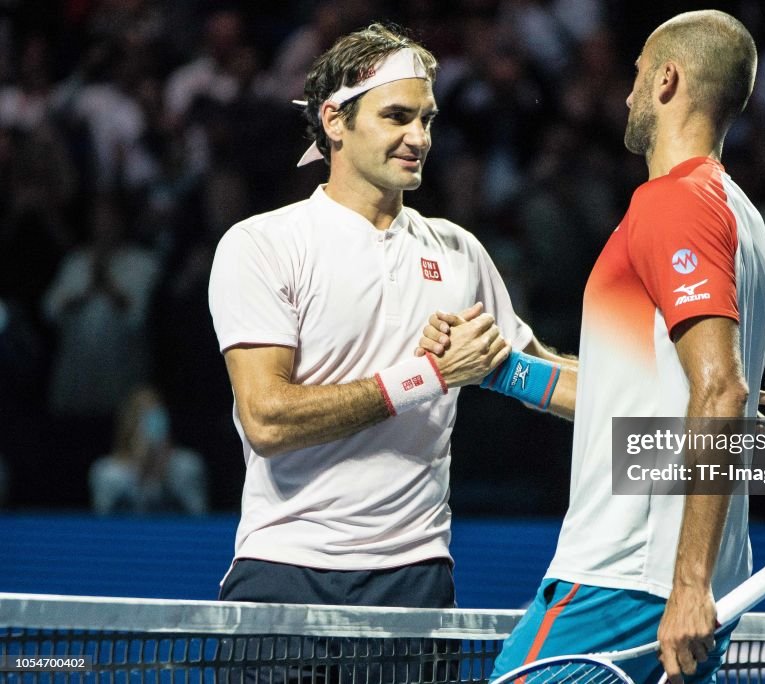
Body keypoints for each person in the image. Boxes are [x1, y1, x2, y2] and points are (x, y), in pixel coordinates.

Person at [426, 10, 765, 684]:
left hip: (628, 579)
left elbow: (723, 390)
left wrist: (688, 583)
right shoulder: (741, 217)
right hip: (683, 587)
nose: (626, 94)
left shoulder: (675, 204)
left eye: (638, 76)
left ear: (668, 79)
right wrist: (501, 369)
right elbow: (632, 400)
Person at [207, 24, 575, 609]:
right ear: (335, 121)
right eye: (397, 116)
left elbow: (547, 381)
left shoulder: (457, 251)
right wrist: (428, 376)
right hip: (286, 570)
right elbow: (267, 420)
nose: (419, 137)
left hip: (417, 579)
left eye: (426, 119)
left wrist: (502, 371)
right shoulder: (263, 243)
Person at [89, 386, 208, 515]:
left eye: (155, 417)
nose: (149, 426)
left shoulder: (187, 465)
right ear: (128, 422)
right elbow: (103, 520)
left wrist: (162, 473)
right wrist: (139, 470)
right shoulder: (107, 472)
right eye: (140, 416)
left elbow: (198, 516)